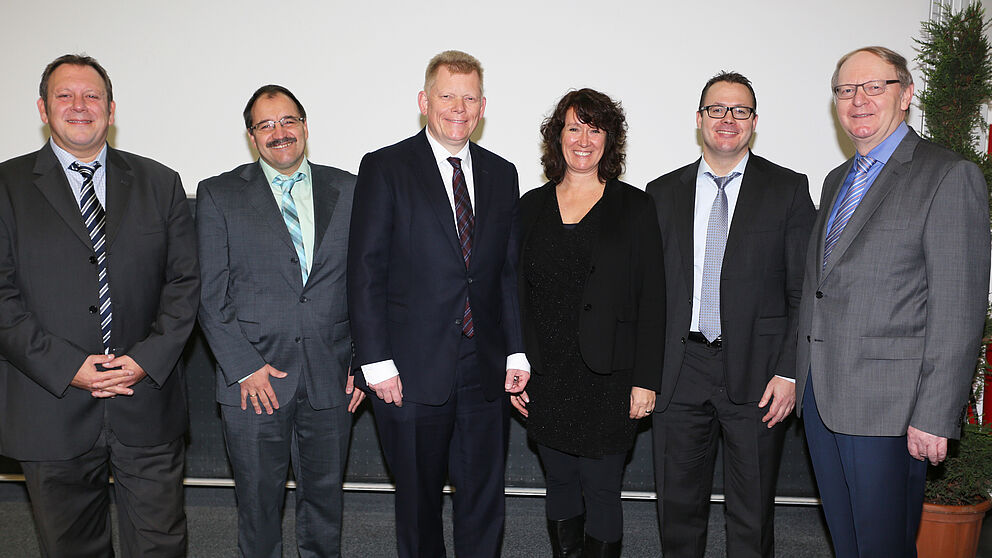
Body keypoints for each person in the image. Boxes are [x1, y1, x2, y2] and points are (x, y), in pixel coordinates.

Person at [0, 54, 199, 557]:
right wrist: (70, 367)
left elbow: (184, 284)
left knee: (161, 546)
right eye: (64, 95)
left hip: (146, 402)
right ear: (43, 109)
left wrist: (143, 361)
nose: (79, 106)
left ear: (111, 110)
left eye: (92, 96)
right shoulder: (5, 187)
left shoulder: (161, 182)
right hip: (51, 406)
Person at [795, 46, 990, 558]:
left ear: (905, 95)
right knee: (848, 543)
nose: (858, 100)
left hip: (890, 409)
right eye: (845, 90)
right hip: (823, 396)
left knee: (883, 547)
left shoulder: (947, 176)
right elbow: (823, 288)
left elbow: (959, 309)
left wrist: (935, 412)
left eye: (873, 87)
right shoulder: (838, 180)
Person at [347, 50, 529, 558]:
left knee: (483, 501)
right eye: (447, 95)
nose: (458, 107)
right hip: (408, 369)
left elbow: (506, 276)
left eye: (469, 97)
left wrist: (516, 353)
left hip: (484, 369)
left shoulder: (502, 173)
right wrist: (375, 363)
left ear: (483, 106)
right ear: (424, 101)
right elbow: (365, 272)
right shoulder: (385, 167)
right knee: (420, 504)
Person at [646, 71, 815, 558]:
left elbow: (802, 292)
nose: (727, 119)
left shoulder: (787, 189)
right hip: (679, 372)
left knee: (752, 512)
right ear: (699, 119)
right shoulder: (661, 193)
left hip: (760, 376)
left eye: (739, 111)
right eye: (716, 109)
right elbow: (648, 295)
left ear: (754, 122)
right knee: (677, 510)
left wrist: (789, 371)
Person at [196, 84, 364, 557]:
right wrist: (244, 367)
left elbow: (370, 285)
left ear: (305, 127)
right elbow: (210, 295)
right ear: (251, 137)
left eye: (288, 120)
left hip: (333, 378)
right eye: (265, 125)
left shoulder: (350, 189)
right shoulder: (218, 194)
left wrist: (362, 361)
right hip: (253, 382)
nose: (279, 132)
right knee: (258, 508)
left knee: (325, 506)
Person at [510, 88, 665, 558]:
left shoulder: (635, 207)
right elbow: (514, 296)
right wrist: (516, 365)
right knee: (558, 482)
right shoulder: (528, 207)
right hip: (547, 375)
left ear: (609, 140)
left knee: (601, 489)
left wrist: (646, 382)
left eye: (594, 128)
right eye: (573, 127)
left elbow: (653, 300)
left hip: (610, 380)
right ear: (557, 137)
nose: (583, 139)